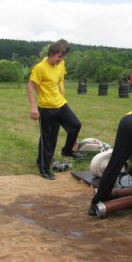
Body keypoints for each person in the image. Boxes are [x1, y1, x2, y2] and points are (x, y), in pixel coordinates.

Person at [28, 41, 82, 180]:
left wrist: (61, 94)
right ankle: (44, 169)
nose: (60, 60)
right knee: (49, 140)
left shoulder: (61, 64)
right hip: (46, 108)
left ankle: (67, 150)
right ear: (51, 54)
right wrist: (34, 107)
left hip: (61, 104)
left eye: (62, 57)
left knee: (76, 125)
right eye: (58, 57)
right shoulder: (40, 68)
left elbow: (60, 80)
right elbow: (30, 85)